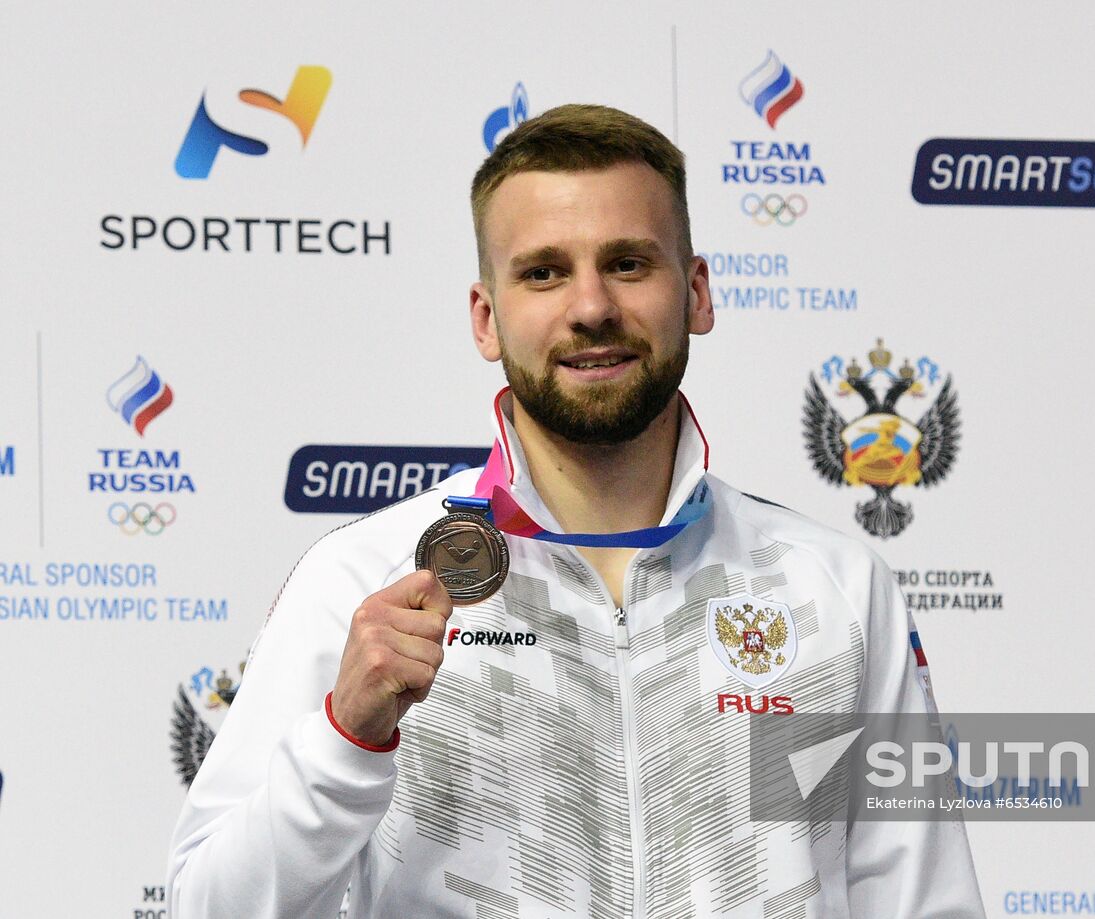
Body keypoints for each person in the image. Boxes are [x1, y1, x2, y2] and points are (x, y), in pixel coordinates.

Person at [167, 104, 985, 918]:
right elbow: (206, 908)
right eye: (544, 272)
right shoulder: (358, 580)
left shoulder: (837, 586)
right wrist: (346, 739)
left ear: (696, 292)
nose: (590, 306)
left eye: (628, 264)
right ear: (487, 318)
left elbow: (925, 902)